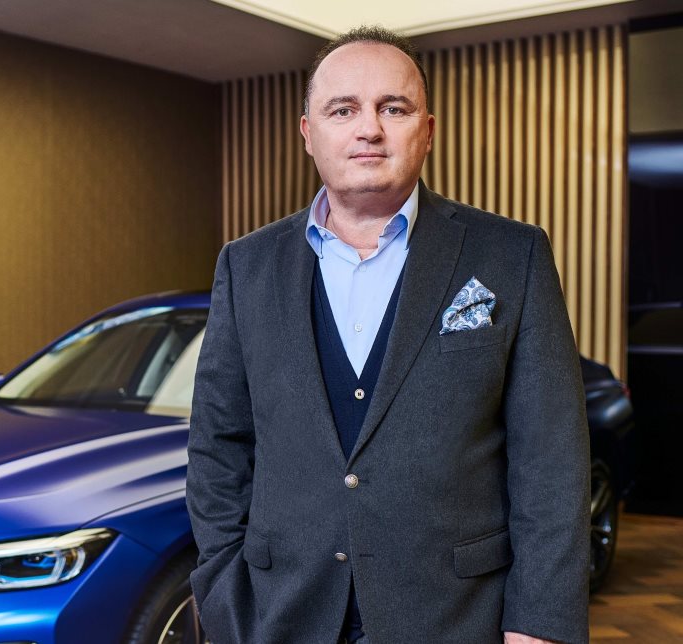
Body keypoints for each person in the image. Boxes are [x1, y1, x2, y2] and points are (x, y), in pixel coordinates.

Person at [186, 25, 590, 644]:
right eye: (343, 109)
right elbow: (219, 445)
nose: (369, 129)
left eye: (393, 108)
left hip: (458, 618)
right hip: (280, 614)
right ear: (308, 133)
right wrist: (222, 594)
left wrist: (540, 624)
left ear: (428, 130)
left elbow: (551, 459)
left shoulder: (513, 255)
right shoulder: (246, 265)